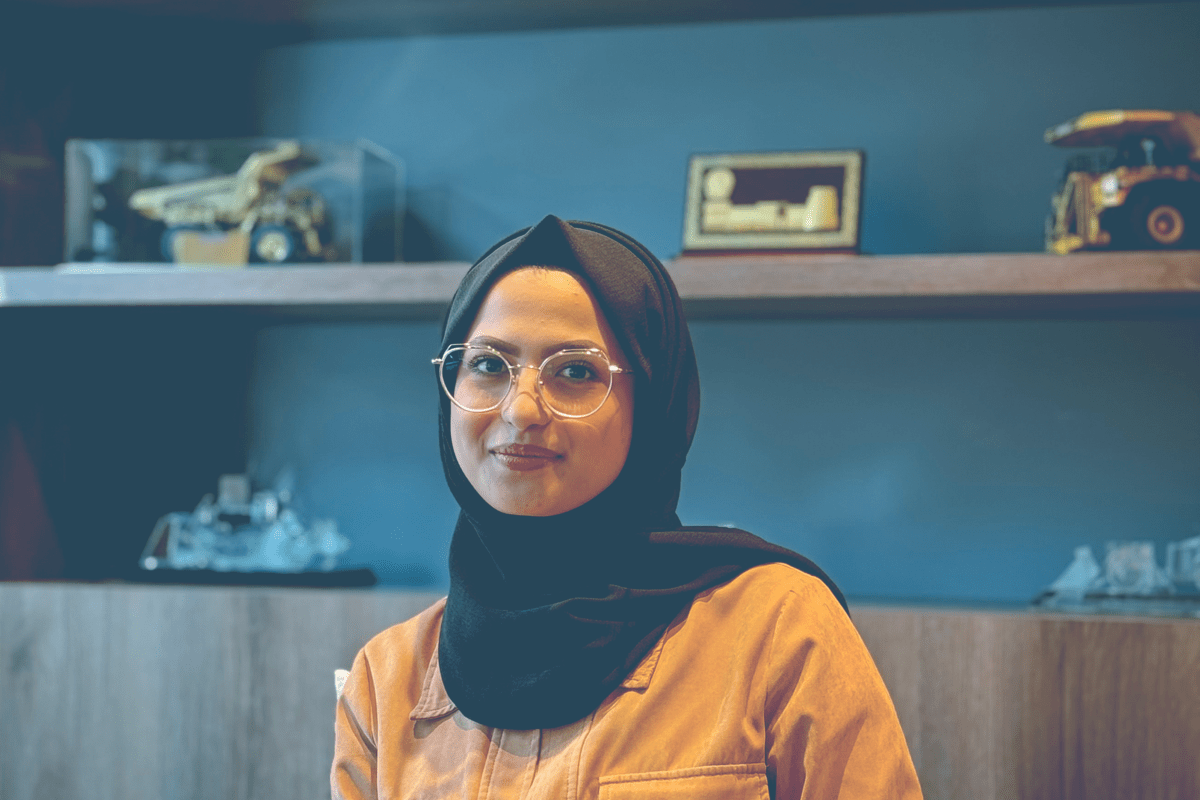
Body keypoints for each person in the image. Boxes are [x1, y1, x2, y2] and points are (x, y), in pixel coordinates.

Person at [332, 216, 923, 799]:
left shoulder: (780, 632)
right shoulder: (387, 681)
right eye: (488, 365)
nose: (523, 410)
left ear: (653, 404)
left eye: (575, 371)